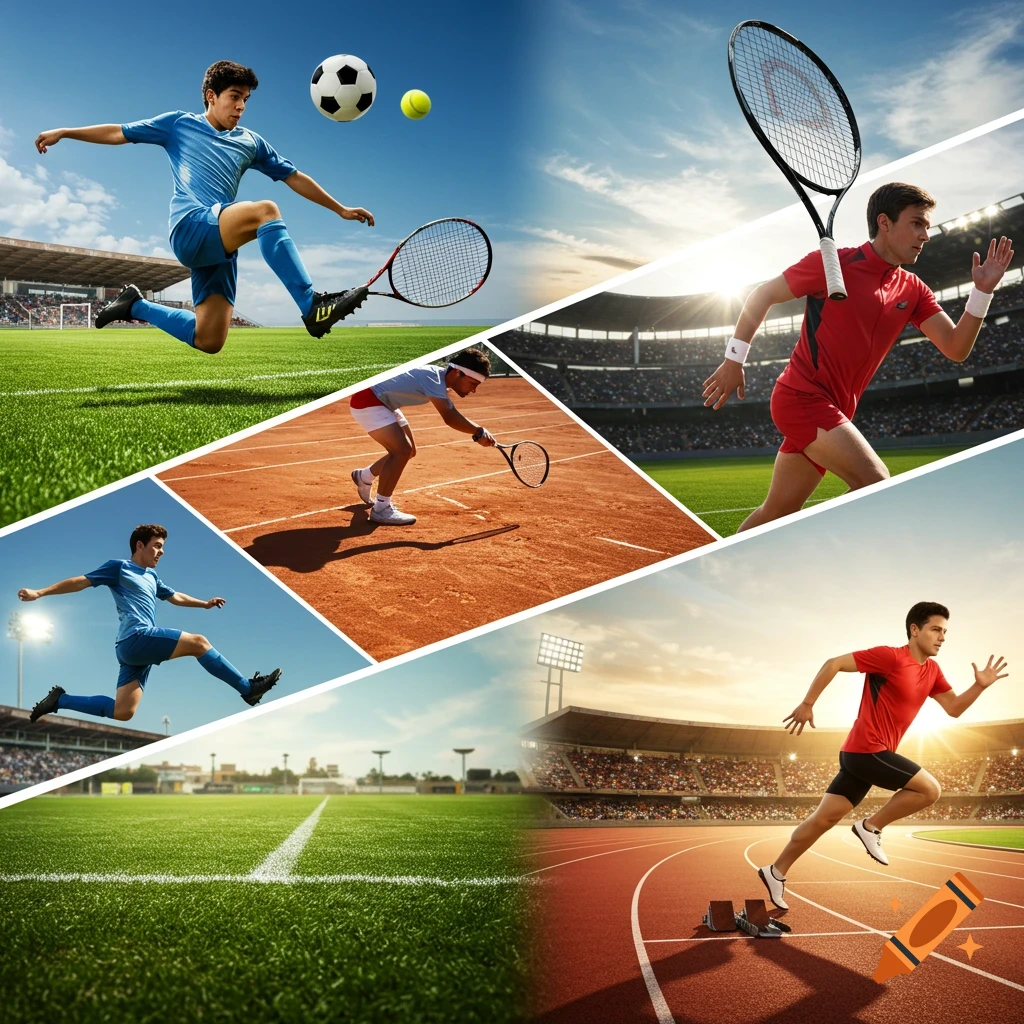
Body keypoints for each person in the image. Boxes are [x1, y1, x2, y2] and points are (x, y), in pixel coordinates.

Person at [701, 183, 1015, 531]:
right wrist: (734, 359)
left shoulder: (913, 289)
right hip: (801, 398)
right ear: (885, 222)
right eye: (916, 223)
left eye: (927, 226)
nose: (925, 235)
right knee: (877, 483)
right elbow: (762, 294)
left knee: (774, 514)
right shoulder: (834, 264)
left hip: (836, 409)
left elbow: (956, 348)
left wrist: (982, 292)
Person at [34, 60, 374, 351]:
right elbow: (118, 132)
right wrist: (65, 131)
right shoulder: (179, 124)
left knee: (208, 339)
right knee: (266, 211)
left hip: (221, 239)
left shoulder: (251, 142)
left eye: (246, 99)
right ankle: (311, 305)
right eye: (234, 97)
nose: (241, 106)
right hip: (191, 226)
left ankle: (134, 305)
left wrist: (339, 208)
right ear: (212, 96)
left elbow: (294, 176)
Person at [756, 602, 1007, 911]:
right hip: (867, 749)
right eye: (935, 629)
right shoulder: (890, 657)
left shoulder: (932, 671)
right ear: (915, 630)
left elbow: (954, 708)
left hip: (863, 754)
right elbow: (833, 662)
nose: (942, 637)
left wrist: (979, 686)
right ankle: (871, 827)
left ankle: (776, 871)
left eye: (945, 632)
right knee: (930, 789)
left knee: (824, 818)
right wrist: (808, 703)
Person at [20, 524, 280, 723]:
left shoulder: (152, 576)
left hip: (133, 653)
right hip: (136, 637)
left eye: (163, 547)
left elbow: (175, 596)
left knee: (123, 712)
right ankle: (248, 689)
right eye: (157, 545)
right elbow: (81, 581)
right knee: (200, 643)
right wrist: (40, 593)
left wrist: (204, 603)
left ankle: (59, 700)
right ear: (140, 545)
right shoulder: (119, 567)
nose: (161, 551)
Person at [348, 348, 496, 525]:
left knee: (408, 451)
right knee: (401, 451)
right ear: (457, 372)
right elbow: (449, 416)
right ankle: (381, 509)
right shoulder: (433, 378)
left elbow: (450, 412)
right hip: (368, 400)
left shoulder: (438, 379)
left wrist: (477, 431)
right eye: (473, 383)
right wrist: (478, 431)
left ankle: (364, 476)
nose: (474, 390)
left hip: (386, 403)